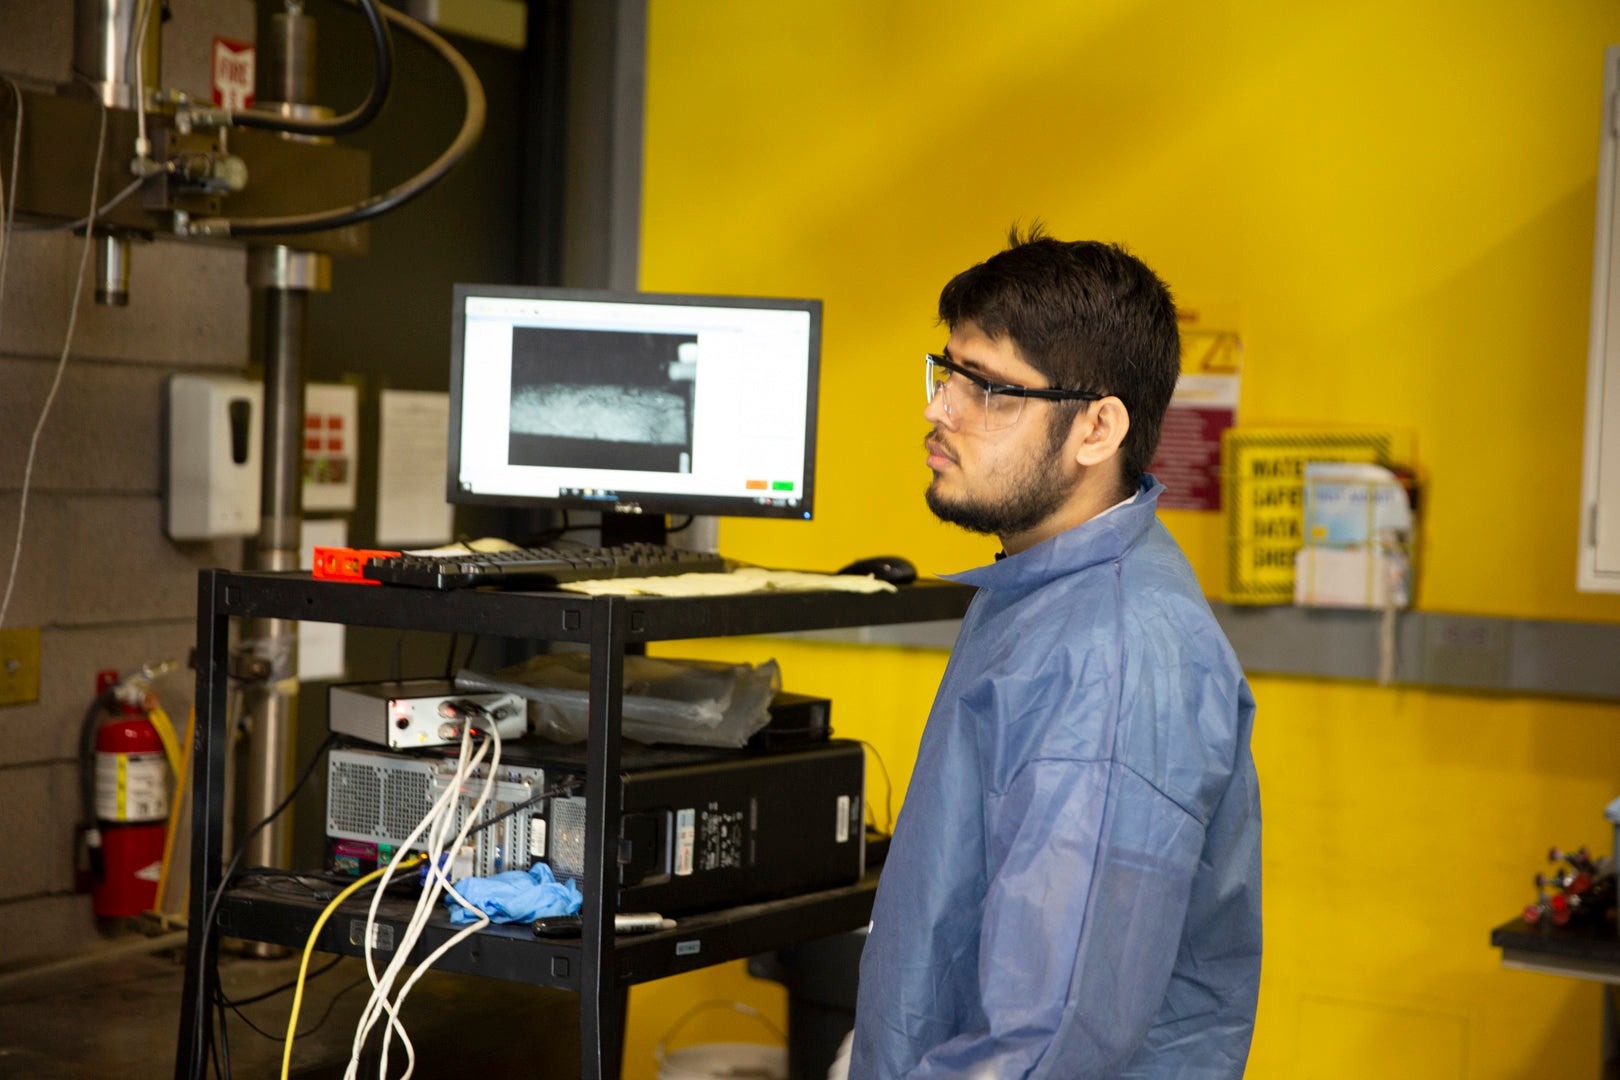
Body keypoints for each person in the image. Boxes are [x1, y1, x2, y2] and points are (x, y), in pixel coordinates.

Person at [847, 227, 1262, 1078]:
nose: (939, 409)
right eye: (947, 373)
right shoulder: (1041, 585)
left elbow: (1049, 1040)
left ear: (1098, 428)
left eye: (991, 390)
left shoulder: (1113, 658)